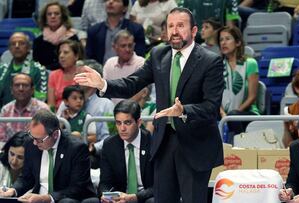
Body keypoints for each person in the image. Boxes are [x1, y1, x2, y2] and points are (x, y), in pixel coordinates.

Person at [74, 7, 224, 202]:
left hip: (195, 144)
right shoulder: (158, 54)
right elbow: (132, 83)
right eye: (170, 26)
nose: (175, 31)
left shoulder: (210, 61)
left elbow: (212, 107)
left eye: (180, 25)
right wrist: (103, 84)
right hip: (164, 142)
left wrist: (183, 110)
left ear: (194, 31)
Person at [0, 109, 98, 203]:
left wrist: (46, 198)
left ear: (55, 134)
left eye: (39, 139)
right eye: (32, 136)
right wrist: (13, 190)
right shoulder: (31, 143)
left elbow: (77, 187)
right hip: (38, 197)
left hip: (65, 198)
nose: (34, 143)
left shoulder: (76, 148)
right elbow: (26, 178)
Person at [99, 100, 154, 203]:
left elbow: (161, 184)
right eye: (118, 123)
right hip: (121, 198)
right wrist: (107, 195)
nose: (122, 128)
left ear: (138, 122)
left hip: (146, 197)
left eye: (127, 123)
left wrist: (136, 197)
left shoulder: (153, 143)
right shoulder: (110, 145)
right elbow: (105, 183)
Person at [218, 26, 259, 136]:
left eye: (227, 39)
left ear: (238, 43)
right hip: (222, 113)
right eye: (221, 40)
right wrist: (223, 114)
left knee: (234, 116)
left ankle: (239, 147)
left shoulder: (250, 63)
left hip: (247, 113)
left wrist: (232, 115)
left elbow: (252, 97)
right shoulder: (217, 66)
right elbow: (214, 95)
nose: (223, 43)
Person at [86, 0, 146, 64]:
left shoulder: (136, 29)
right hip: (100, 70)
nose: (111, 2)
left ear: (125, 8)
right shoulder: (94, 30)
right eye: (108, 0)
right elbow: (90, 59)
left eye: (116, 0)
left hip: (129, 70)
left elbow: (140, 56)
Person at [0, 32, 48, 108]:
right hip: (5, 116)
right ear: (9, 48)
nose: (17, 46)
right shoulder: (2, 71)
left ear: (28, 47)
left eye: (21, 43)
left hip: (31, 115)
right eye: (13, 44)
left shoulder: (38, 70)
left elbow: (41, 99)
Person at [0, 73, 49, 142]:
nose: (21, 89)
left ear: (32, 90)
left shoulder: (42, 109)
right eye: (17, 85)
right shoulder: (6, 109)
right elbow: (1, 139)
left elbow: (46, 139)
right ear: (11, 90)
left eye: (25, 85)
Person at [33, 1, 79, 71]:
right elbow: (36, 65)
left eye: (56, 14)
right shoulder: (38, 41)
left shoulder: (72, 38)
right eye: (49, 14)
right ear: (45, 18)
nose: (53, 16)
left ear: (63, 17)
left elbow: (79, 60)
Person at [103, 30, 145, 104]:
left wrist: (123, 109)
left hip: (134, 110)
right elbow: (104, 88)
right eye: (123, 46)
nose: (127, 49)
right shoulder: (110, 63)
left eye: (130, 45)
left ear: (134, 45)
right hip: (112, 110)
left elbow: (142, 91)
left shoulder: (141, 63)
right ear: (114, 47)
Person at [48, 39, 84, 111]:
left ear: (76, 56)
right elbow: (51, 105)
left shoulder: (82, 74)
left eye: (66, 52)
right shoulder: (54, 75)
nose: (61, 56)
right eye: (60, 53)